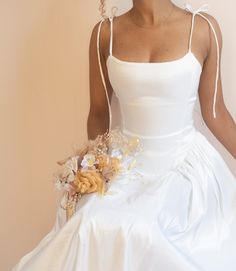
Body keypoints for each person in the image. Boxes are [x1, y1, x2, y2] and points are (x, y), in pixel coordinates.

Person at [12, 1, 236, 271]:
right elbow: (98, 114)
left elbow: (216, 113)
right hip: (127, 165)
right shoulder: (103, 34)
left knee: (145, 230)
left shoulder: (202, 28)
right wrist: (94, 168)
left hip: (183, 166)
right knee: (89, 223)